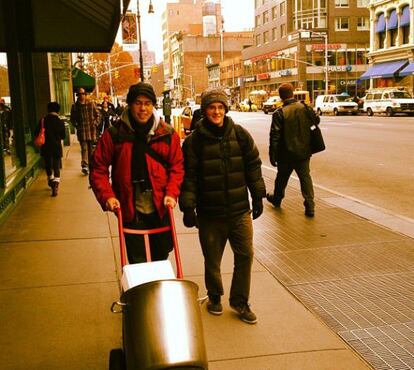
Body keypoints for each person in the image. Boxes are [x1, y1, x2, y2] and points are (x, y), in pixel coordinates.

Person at [179, 88, 266, 324]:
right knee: (212, 259)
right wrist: (188, 207)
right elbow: (189, 177)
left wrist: (258, 195)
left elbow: (253, 166)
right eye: (211, 107)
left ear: (225, 110)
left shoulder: (240, 135)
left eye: (220, 107)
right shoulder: (194, 142)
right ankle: (215, 295)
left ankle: (240, 301)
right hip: (210, 214)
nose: (216, 111)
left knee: (245, 255)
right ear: (205, 111)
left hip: (239, 211)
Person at [90, 82, 184, 263]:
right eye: (138, 103)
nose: (143, 108)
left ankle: (158, 290)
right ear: (130, 105)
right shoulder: (114, 134)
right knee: (137, 261)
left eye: (148, 103)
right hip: (129, 207)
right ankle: (141, 291)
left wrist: (172, 193)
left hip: (160, 207)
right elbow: (98, 169)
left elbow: (177, 167)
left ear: (153, 106)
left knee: (161, 257)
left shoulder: (167, 134)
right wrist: (108, 196)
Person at [266, 83, 319, 217]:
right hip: (303, 152)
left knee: (281, 178)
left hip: (286, 154)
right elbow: (316, 120)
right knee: (305, 177)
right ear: (292, 93)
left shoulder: (279, 113)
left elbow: (275, 136)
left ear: (280, 96)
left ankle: (277, 199)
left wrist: (272, 155)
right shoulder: (304, 108)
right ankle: (310, 205)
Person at [35, 102, 66, 197]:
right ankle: (56, 184)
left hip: (46, 147)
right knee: (56, 166)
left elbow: (36, 133)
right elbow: (63, 136)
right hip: (56, 146)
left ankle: (51, 179)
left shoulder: (43, 120)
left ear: (48, 110)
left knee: (48, 165)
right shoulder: (60, 122)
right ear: (58, 110)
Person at [70, 87, 100, 175]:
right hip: (82, 130)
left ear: (85, 94)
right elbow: (72, 119)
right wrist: (76, 125)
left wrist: (95, 123)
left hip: (91, 130)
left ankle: (91, 165)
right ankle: (85, 166)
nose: (81, 96)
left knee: (91, 149)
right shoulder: (75, 106)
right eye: (79, 94)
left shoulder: (91, 103)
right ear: (77, 95)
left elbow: (98, 114)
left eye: (83, 94)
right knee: (84, 149)